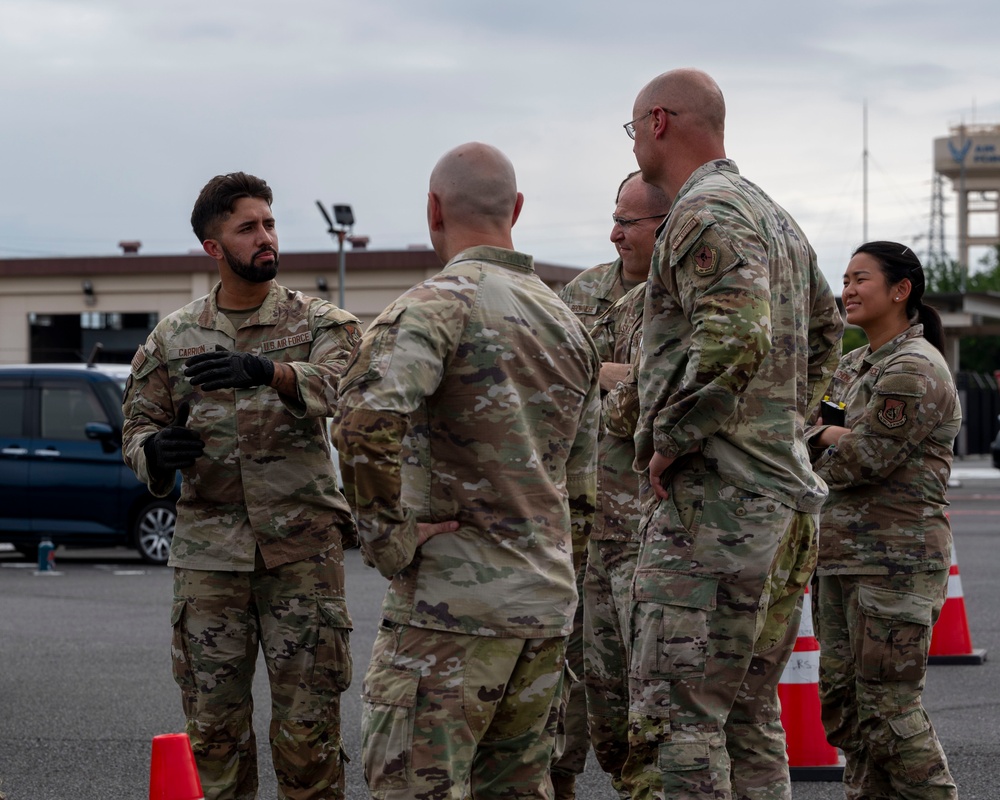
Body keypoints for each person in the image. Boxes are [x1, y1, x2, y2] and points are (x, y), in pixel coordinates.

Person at [334, 142, 601, 800]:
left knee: (414, 786)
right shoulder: (569, 326)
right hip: (542, 611)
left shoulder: (435, 305)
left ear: (433, 209)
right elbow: (582, 486)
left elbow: (363, 421)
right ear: (516, 209)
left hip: (450, 612)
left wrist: (388, 539)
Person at [625, 68, 844, 800]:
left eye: (633, 129)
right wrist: (785, 423)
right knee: (748, 714)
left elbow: (736, 336)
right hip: (779, 501)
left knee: (679, 717)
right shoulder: (774, 216)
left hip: (718, 505)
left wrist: (674, 437)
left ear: (659, 122)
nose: (635, 143)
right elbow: (827, 329)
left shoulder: (703, 212)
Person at [122, 172, 361, 800]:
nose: (265, 238)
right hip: (210, 559)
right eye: (247, 228)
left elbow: (346, 387)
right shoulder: (174, 337)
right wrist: (156, 453)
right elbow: (138, 426)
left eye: (270, 223)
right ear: (214, 247)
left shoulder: (321, 321)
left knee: (308, 736)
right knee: (213, 737)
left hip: (302, 555)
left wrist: (268, 371)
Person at [808, 242, 960, 799]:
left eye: (861, 279)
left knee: (890, 712)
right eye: (845, 278)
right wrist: (826, 434)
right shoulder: (853, 367)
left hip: (895, 565)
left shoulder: (913, 368)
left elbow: (863, 458)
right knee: (846, 709)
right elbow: (808, 432)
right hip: (840, 559)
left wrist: (821, 439)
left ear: (901, 291)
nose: (847, 290)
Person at [568, 173, 669, 798]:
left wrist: (606, 377)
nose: (615, 234)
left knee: (652, 699)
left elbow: (663, 393)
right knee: (579, 698)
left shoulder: (683, 298)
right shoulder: (581, 294)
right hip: (578, 527)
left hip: (649, 529)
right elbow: (547, 384)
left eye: (628, 223)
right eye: (614, 219)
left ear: (666, 225)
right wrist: (602, 375)